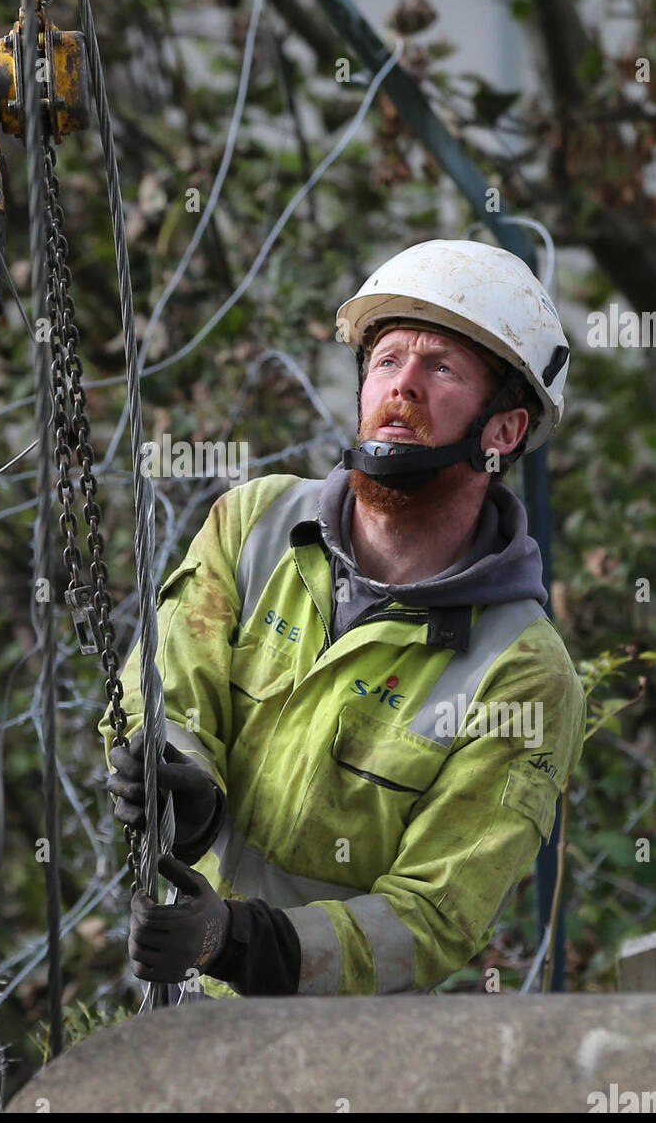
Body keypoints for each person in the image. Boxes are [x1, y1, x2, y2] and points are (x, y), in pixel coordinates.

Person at [100, 238, 587, 998]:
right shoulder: (252, 523)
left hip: (337, 1050)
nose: (402, 387)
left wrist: (239, 940)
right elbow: (167, 684)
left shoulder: (521, 672)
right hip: (178, 1007)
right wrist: (179, 772)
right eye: (387, 360)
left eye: (442, 368)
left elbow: (430, 918)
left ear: (502, 433)